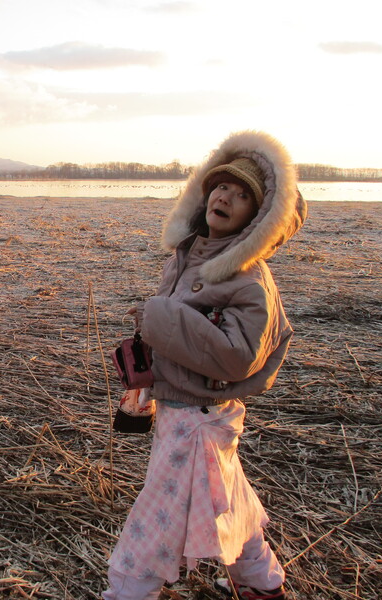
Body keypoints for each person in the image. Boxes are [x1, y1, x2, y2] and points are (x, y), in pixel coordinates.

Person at [103, 130, 307, 600]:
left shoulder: (249, 278)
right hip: (181, 409)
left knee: (152, 528)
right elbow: (186, 335)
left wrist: (159, 317)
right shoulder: (191, 254)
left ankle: (127, 591)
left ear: (258, 219)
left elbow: (237, 356)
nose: (225, 196)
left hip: (199, 421)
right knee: (227, 498)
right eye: (221, 186)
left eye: (241, 196)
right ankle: (261, 583)